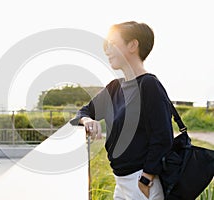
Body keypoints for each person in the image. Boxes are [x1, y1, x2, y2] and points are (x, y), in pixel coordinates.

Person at [70, 21, 173, 199]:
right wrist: (87, 120)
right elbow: (82, 112)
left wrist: (146, 178)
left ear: (133, 45)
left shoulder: (149, 85)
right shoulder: (114, 88)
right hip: (121, 183)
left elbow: (163, 137)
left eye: (112, 44)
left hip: (141, 184)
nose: (107, 50)